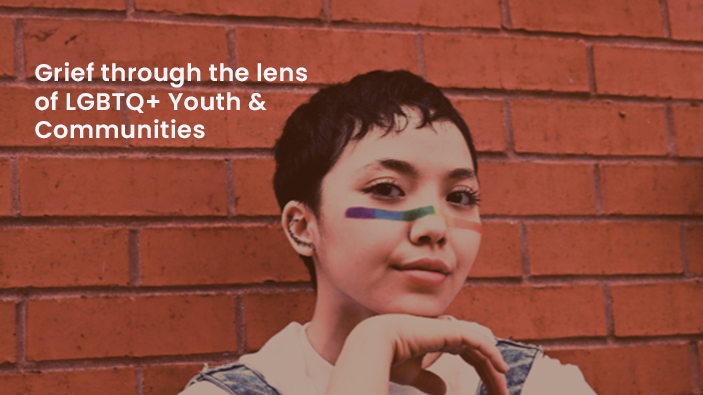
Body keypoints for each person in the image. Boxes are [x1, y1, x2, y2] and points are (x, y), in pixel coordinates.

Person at [180, 70, 596, 395]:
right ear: (303, 227)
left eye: (461, 196)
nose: (435, 226)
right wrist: (370, 348)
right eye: (386, 190)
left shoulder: (537, 384)